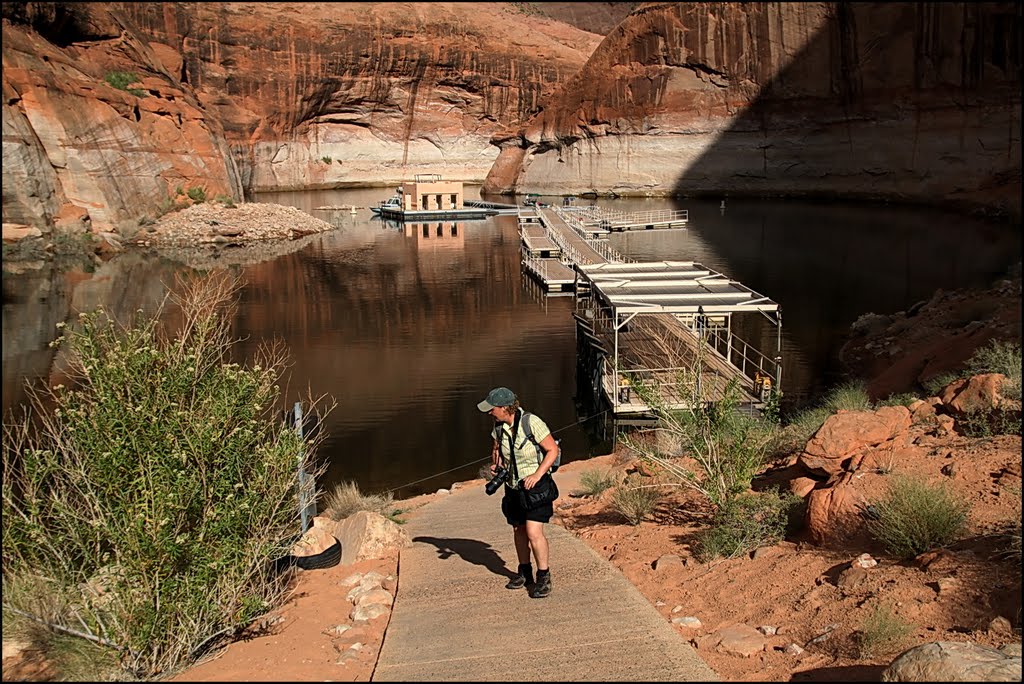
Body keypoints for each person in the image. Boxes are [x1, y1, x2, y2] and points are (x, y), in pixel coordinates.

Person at [477, 387, 560, 599]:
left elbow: (552, 450)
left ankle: (544, 576)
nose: (489, 412)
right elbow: (497, 449)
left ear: (505, 408)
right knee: (519, 530)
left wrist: (537, 474)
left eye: (492, 409)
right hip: (513, 488)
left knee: (534, 532)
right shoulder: (498, 427)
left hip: (535, 488)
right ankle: (525, 572)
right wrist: (497, 465)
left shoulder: (531, 423)